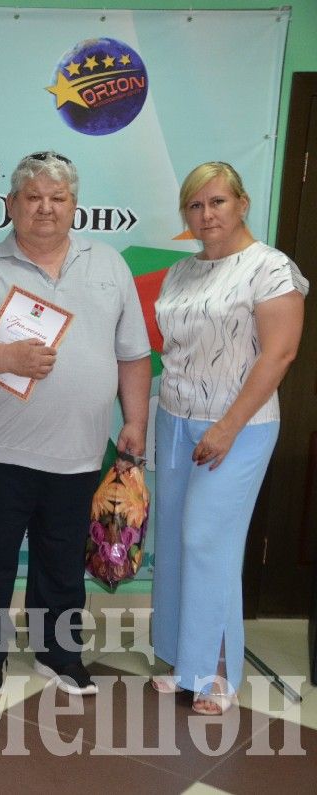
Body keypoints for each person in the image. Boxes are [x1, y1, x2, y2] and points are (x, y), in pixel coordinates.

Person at [0, 151, 151, 697]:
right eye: (33, 198)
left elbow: (134, 354)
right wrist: (4, 359)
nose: (45, 209)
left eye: (58, 198)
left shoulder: (110, 265)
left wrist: (136, 423)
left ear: (75, 206)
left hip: (80, 453)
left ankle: (59, 655)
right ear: (12, 205)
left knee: (62, 565)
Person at [150, 161, 306, 715]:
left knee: (205, 541)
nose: (206, 214)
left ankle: (217, 672)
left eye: (217, 202)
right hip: (173, 420)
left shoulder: (271, 269)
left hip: (237, 426)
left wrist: (227, 425)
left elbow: (280, 353)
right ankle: (179, 658)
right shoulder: (181, 272)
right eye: (195, 205)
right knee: (171, 539)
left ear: (241, 203)